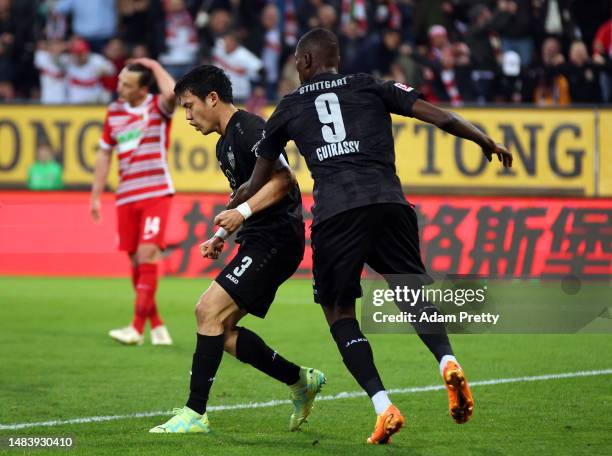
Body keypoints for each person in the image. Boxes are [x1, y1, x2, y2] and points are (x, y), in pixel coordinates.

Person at [220, 28, 512, 444]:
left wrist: (232, 209)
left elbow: (256, 179)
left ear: (304, 62)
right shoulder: (372, 85)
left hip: (337, 213)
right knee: (411, 291)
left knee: (339, 312)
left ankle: (383, 406)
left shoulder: (287, 106)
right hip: (389, 202)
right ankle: (447, 360)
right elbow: (439, 115)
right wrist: (484, 138)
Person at [149, 65, 326, 434]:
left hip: (276, 237)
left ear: (212, 98)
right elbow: (247, 192)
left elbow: (284, 180)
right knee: (221, 330)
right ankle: (300, 380)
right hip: (259, 237)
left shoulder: (250, 128)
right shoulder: (223, 143)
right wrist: (222, 235)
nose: (187, 116)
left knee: (206, 310)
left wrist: (241, 212)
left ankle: (195, 413)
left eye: (189, 105)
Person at [91, 58, 176, 346]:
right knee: (135, 262)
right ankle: (158, 324)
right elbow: (104, 154)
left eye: (127, 85)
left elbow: (172, 94)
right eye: (119, 82)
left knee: (146, 256)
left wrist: (153, 65)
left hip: (155, 192)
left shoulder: (157, 107)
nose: (120, 88)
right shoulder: (113, 112)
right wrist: (95, 195)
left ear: (142, 90)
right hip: (126, 195)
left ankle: (136, 328)